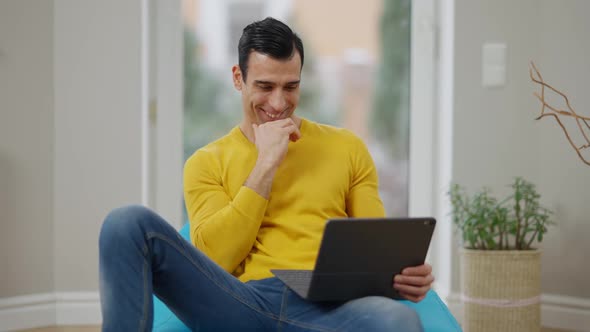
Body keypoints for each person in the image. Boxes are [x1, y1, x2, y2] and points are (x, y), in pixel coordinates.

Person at [99, 17, 434, 331]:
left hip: (331, 307)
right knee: (125, 223)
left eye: (290, 86)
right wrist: (265, 165)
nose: (278, 103)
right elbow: (216, 260)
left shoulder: (346, 147)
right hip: (242, 303)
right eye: (265, 86)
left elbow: (373, 249)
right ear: (237, 78)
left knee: (398, 319)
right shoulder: (206, 162)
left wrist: (401, 277)